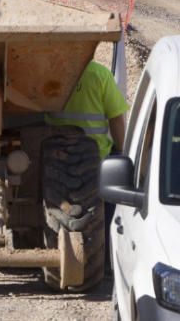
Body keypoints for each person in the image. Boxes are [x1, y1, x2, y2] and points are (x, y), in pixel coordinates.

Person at [46, 59, 129, 276]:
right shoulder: (100, 75)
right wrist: (123, 153)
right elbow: (116, 118)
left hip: (54, 156)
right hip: (95, 159)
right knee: (107, 209)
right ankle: (108, 260)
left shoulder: (51, 73)